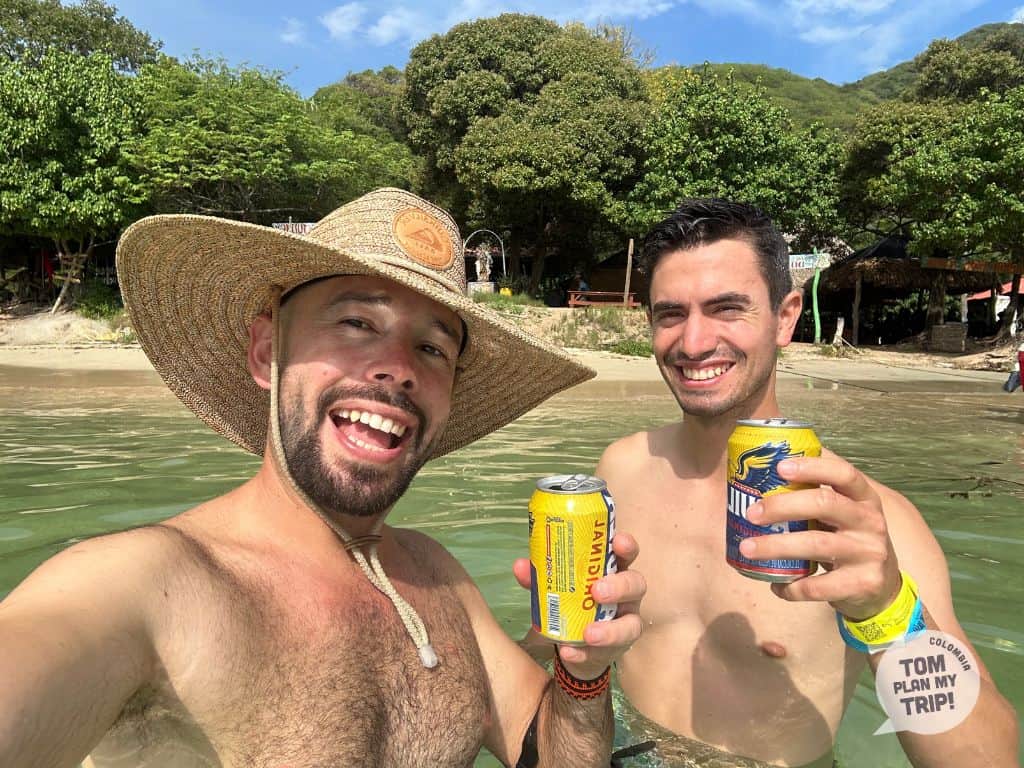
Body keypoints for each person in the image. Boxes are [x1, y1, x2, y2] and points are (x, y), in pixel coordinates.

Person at [0, 188, 646, 768]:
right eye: (357, 323)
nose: (396, 369)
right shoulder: (143, 584)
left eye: (432, 348)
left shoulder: (435, 575)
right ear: (265, 352)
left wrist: (582, 673)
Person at [590, 199, 1018, 767]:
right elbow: (566, 640)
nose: (693, 343)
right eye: (671, 314)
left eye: (726, 309)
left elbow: (985, 760)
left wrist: (888, 610)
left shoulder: (865, 523)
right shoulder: (621, 468)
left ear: (786, 317)